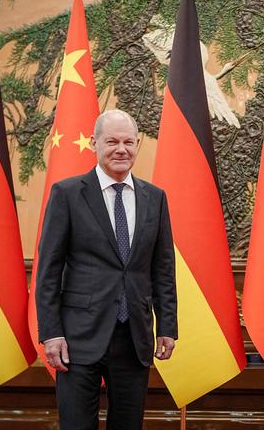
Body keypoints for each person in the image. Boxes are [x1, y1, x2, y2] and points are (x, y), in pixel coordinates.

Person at [35, 109, 177, 430]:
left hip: (135, 337)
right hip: (77, 338)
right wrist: (51, 333)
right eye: (112, 141)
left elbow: (163, 269)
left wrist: (167, 325)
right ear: (93, 143)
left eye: (128, 142)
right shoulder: (68, 193)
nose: (121, 149)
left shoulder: (155, 198)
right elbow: (48, 271)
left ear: (138, 144)